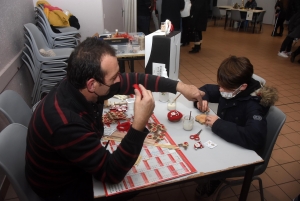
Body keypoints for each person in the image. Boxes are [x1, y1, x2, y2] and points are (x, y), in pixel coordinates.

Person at [25, 37, 205, 201]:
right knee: (135, 182)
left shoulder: (78, 84)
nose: (119, 80)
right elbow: (111, 174)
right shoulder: (66, 123)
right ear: (92, 84)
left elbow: (135, 78)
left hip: (69, 166)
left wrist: (180, 86)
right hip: (60, 189)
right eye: (113, 78)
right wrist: (138, 125)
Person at [193, 56, 278, 198]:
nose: (220, 90)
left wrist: (218, 124)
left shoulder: (254, 105)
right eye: (220, 85)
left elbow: (255, 138)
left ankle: (214, 179)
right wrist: (203, 98)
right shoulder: (232, 88)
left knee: (201, 161)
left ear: (243, 86)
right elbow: (206, 89)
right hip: (225, 137)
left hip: (241, 148)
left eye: (224, 87)